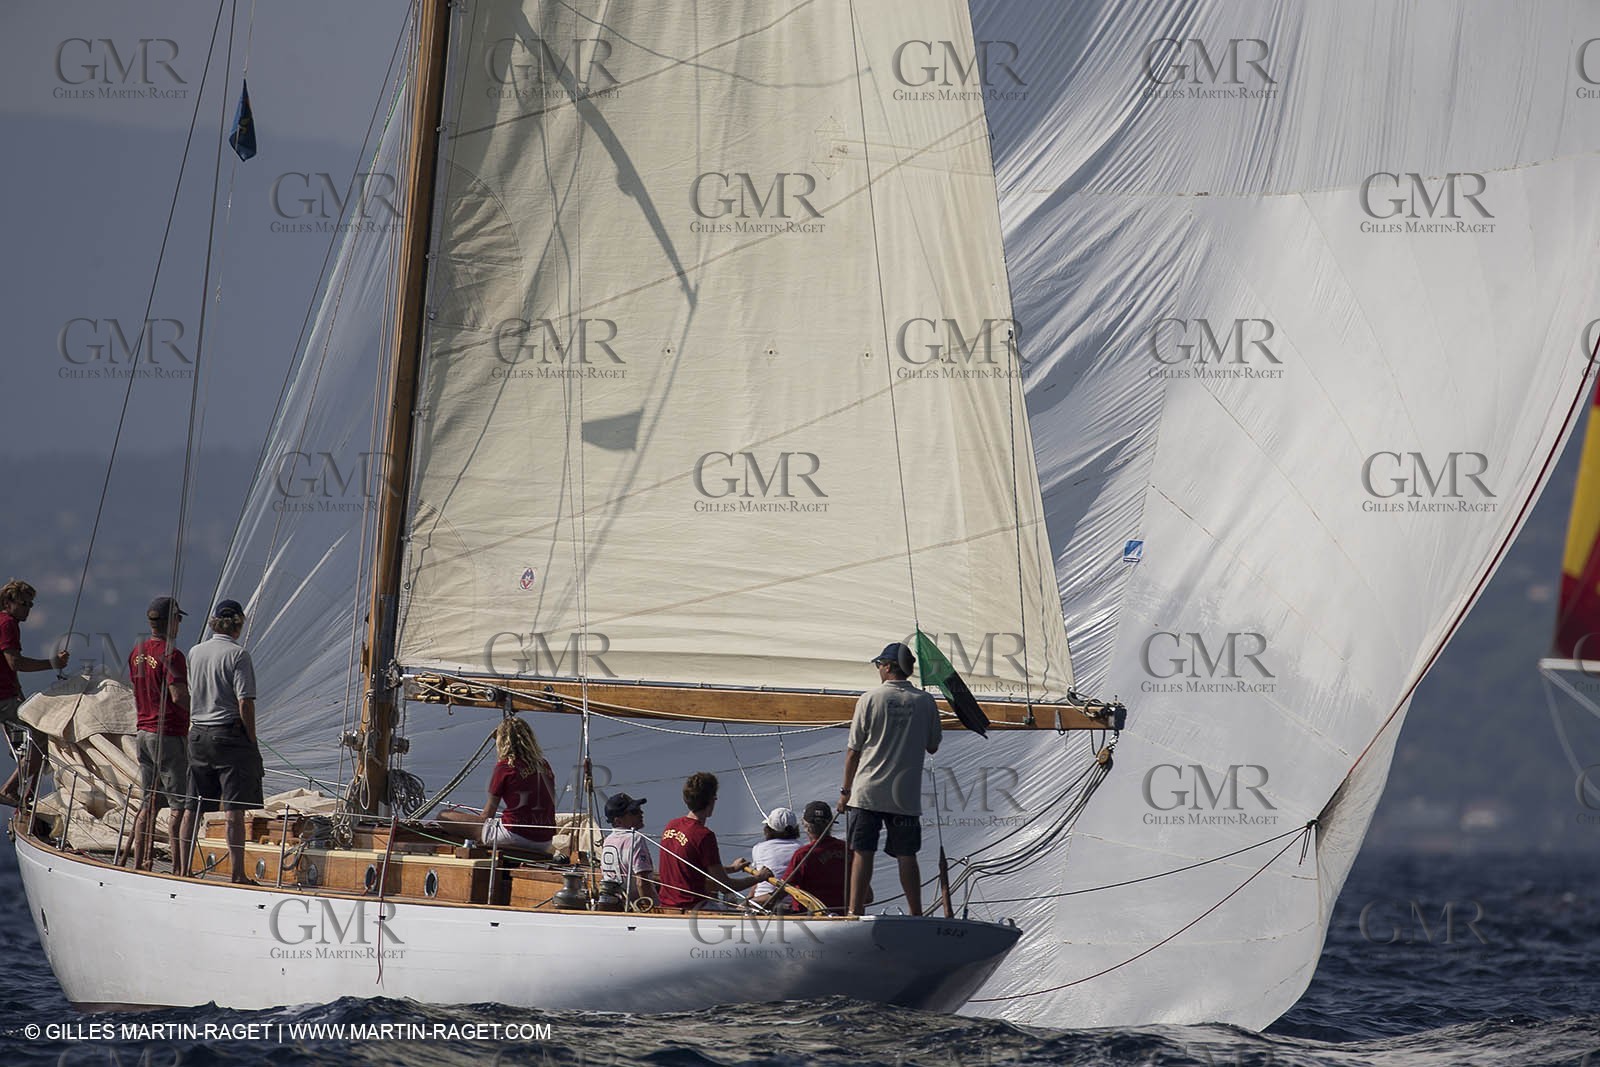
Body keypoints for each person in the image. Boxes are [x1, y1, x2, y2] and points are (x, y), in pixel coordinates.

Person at [839, 641, 941, 916]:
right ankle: (915, 913)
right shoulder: (926, 701)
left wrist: (845, 792)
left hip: (867, 792)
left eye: (879, 665)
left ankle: (854, 911)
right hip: (904, 795)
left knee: (863, 852)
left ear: (887, 667)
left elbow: (853, 751)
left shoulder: (869, 699)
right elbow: (932, 746)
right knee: (907, 854)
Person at [185, 599, 263, 884]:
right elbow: (245, 703)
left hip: (197, 734)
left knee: (192, 807)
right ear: (239, 624)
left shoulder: (195, 652)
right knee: (233, 809)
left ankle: (181, 869)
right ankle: (237, 873)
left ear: (213, 622)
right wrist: (251, 740)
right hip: (228, 735)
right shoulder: (238, 655)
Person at [129, 597, 194, 875]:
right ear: (171, 621)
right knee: (180, 805)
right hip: (167, 735)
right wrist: (203, 710)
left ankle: (142, 862)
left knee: (149, 803)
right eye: (178, 619)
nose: (180, 624)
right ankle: (180, 869)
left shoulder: (137, 652)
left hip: (143, 732)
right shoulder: (172, 655)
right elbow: (178, 695)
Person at [440, 717, 556, 854]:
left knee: (443, 816)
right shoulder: (544, 765)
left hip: (513, 835)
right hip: (545, 841)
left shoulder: (505, 767)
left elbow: (487, 814)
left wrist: (472, 829)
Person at [656, 771, 770, 910]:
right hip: (692, 907)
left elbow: (694, 867)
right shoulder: (704, 835)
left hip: (666, 906)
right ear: (712, 799)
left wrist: (733, 868)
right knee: (744, 909)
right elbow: (725, 886)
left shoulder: (671, 825)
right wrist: (759, 878)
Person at [0, 579, 69, 807]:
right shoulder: (7, 623)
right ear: (9, 602)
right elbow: (15, 662)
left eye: (30, 605)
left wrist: (18, 691)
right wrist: (54, 663)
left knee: (28, 746)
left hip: (8, 695)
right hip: (3, 699)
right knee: (41, 740)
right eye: (24, 603)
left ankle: (26, 795)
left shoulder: (6, 622)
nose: (28, 609)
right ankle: (11, 790)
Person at [774, 800, 851, 913]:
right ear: (830, 825)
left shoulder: (803, 855)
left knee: (779, 908)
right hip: (845, 915)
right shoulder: (848, 849)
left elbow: (781, 891)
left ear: (806, 826)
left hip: (812, 919)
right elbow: (868, 897)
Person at [600, 791, 655, 906]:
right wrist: (650, 908)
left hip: (616, 904)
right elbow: (641, 882)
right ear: (618, 821)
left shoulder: (607, 841)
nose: (641, 813)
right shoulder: (635, 839)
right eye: (634, 812)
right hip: (635, 906)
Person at [746, 806, 803, 905]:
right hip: (791, 904)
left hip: (761, 904)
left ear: (768, 829)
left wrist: (747, 900)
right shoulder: (801, 849)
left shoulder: (759, 848)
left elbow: (758, 879)